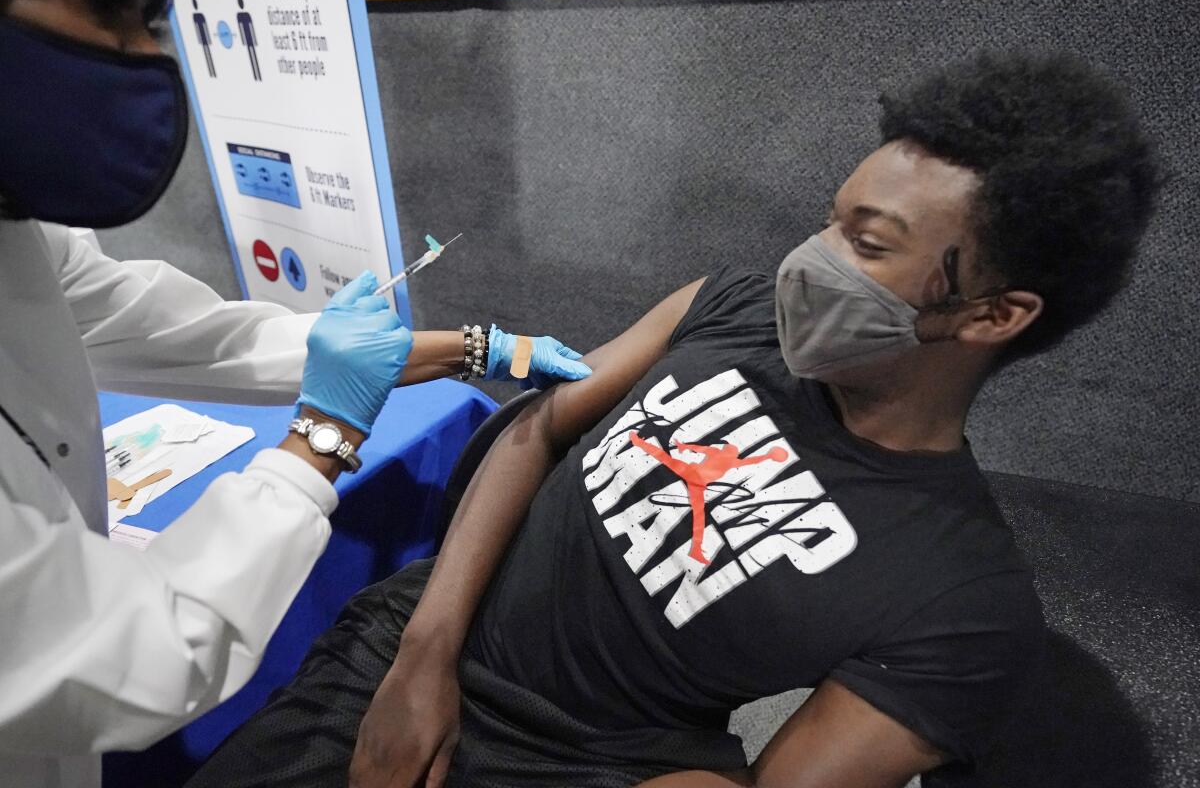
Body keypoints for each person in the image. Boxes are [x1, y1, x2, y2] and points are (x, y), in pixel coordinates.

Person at [184, 48, 1162, 788]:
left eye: (867, 244)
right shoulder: (733, 306)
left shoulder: (963, 599)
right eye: (832, 218)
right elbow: (538, 431)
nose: (808, 260)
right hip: (412, 643)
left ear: (995, 312)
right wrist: (425, 654)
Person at [0, 0, 590, 788]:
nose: (150, 55)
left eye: (155, 19)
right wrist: (323, 431)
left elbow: (191, 335)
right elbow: (150, 644)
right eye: (115, 10)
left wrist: (481, 347)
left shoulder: (19, 235)